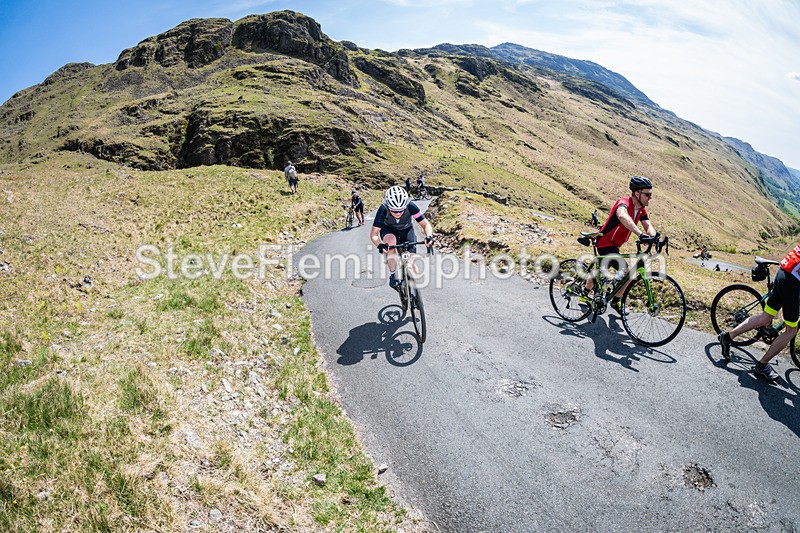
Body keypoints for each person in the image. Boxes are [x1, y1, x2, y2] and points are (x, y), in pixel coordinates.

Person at [718, 241, 800, 382]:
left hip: (782, 274)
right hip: (791, 283)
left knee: (765, 318)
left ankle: (727, 337)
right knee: (791, 331)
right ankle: (761, 366)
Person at [585, 175, 658, 314]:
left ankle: (588, 291)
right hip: (604, 242)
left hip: (615, 246)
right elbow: (622, 215)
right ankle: (614, 300)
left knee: (603, 271)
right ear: (637, 193)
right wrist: (639, 234)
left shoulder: (641, 209)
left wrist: (653, 237)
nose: (650, 198)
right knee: (627, 272)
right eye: (647, 194)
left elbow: (648, 225)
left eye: (651, 194)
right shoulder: (623, 202)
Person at [370, 185, 434, 290]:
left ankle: (414, 294)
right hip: (389, 230)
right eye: (394, 211)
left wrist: (429, 236)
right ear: (389, 206)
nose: (398, 213)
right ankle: (393, 274)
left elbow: (425, 224)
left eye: (401, 210)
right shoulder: (383, 209)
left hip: (406, 230)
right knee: (390, 243)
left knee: (413, 265)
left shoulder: (410, 206)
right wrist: (380, 245)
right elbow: (374, 234)